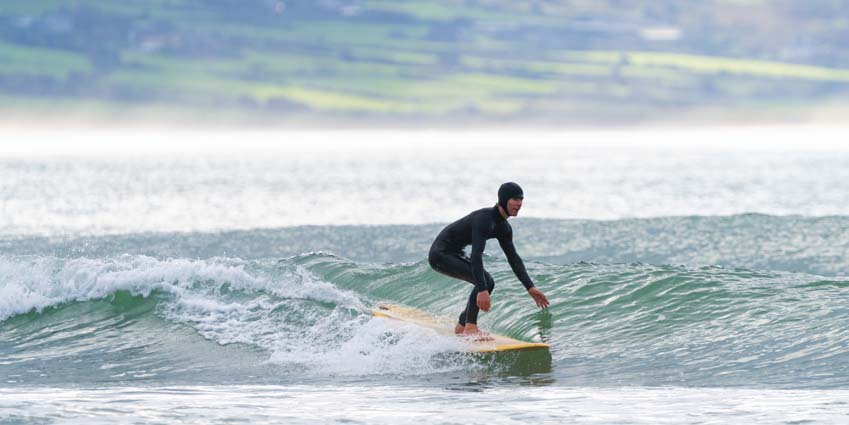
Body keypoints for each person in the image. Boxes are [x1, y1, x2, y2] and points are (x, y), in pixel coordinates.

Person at [428, 182, 549, 339]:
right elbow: (476, 255)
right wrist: (482, 289)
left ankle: (461, 327)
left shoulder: (504, 228)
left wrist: (530, 287)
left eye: (521, 199)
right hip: (441, 254)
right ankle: (470, 328)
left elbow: (514, 259)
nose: (519, 204)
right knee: (486, 281)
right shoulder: (484, 219)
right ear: (504, 200)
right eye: (515, 199)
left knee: (487, 281)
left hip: (454, 253)